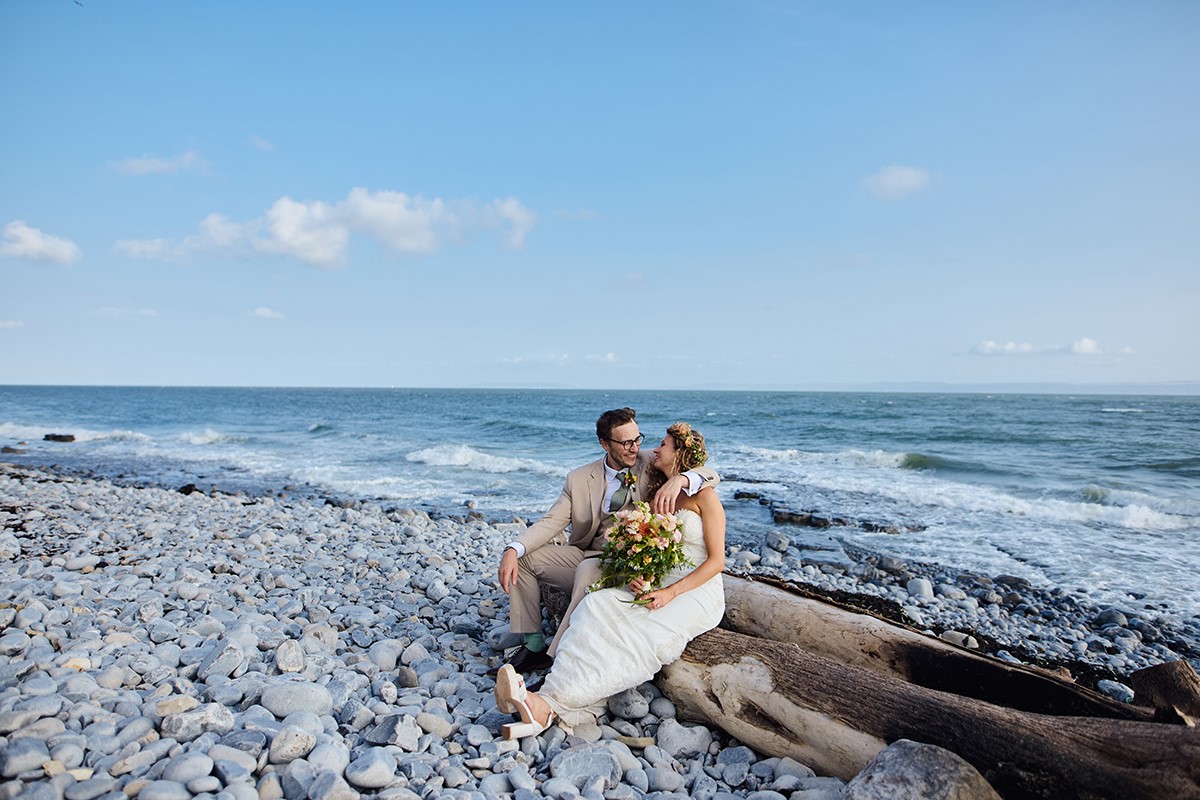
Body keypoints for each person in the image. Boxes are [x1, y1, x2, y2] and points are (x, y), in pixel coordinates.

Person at [494, 422, 725, 737]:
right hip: (626, 566)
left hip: (692, 592)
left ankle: (548, 699)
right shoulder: (583, 478)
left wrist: (684, 478)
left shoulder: (675, 481)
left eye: (648, 442)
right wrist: (512, 547)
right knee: (595, 606)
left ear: (678, 453)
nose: (641, 448)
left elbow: (716, 556)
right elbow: (553, 522)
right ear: (606, 444)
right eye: (627, 442)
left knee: (633, 633)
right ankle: (539, 661)